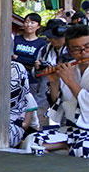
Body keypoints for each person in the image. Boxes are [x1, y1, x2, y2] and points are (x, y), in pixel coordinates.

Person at [24, 25, 89, 158]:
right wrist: (54, 82)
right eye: (76, 49)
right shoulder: (69, 68)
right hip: (71, 130)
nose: (83, 52)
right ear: (69, 51)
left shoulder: (69, 74)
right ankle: (64, 144)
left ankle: (64, 145)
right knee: (31, 140)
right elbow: (57, 103)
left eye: (87, 46)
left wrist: (70, 82)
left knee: (82, 149)